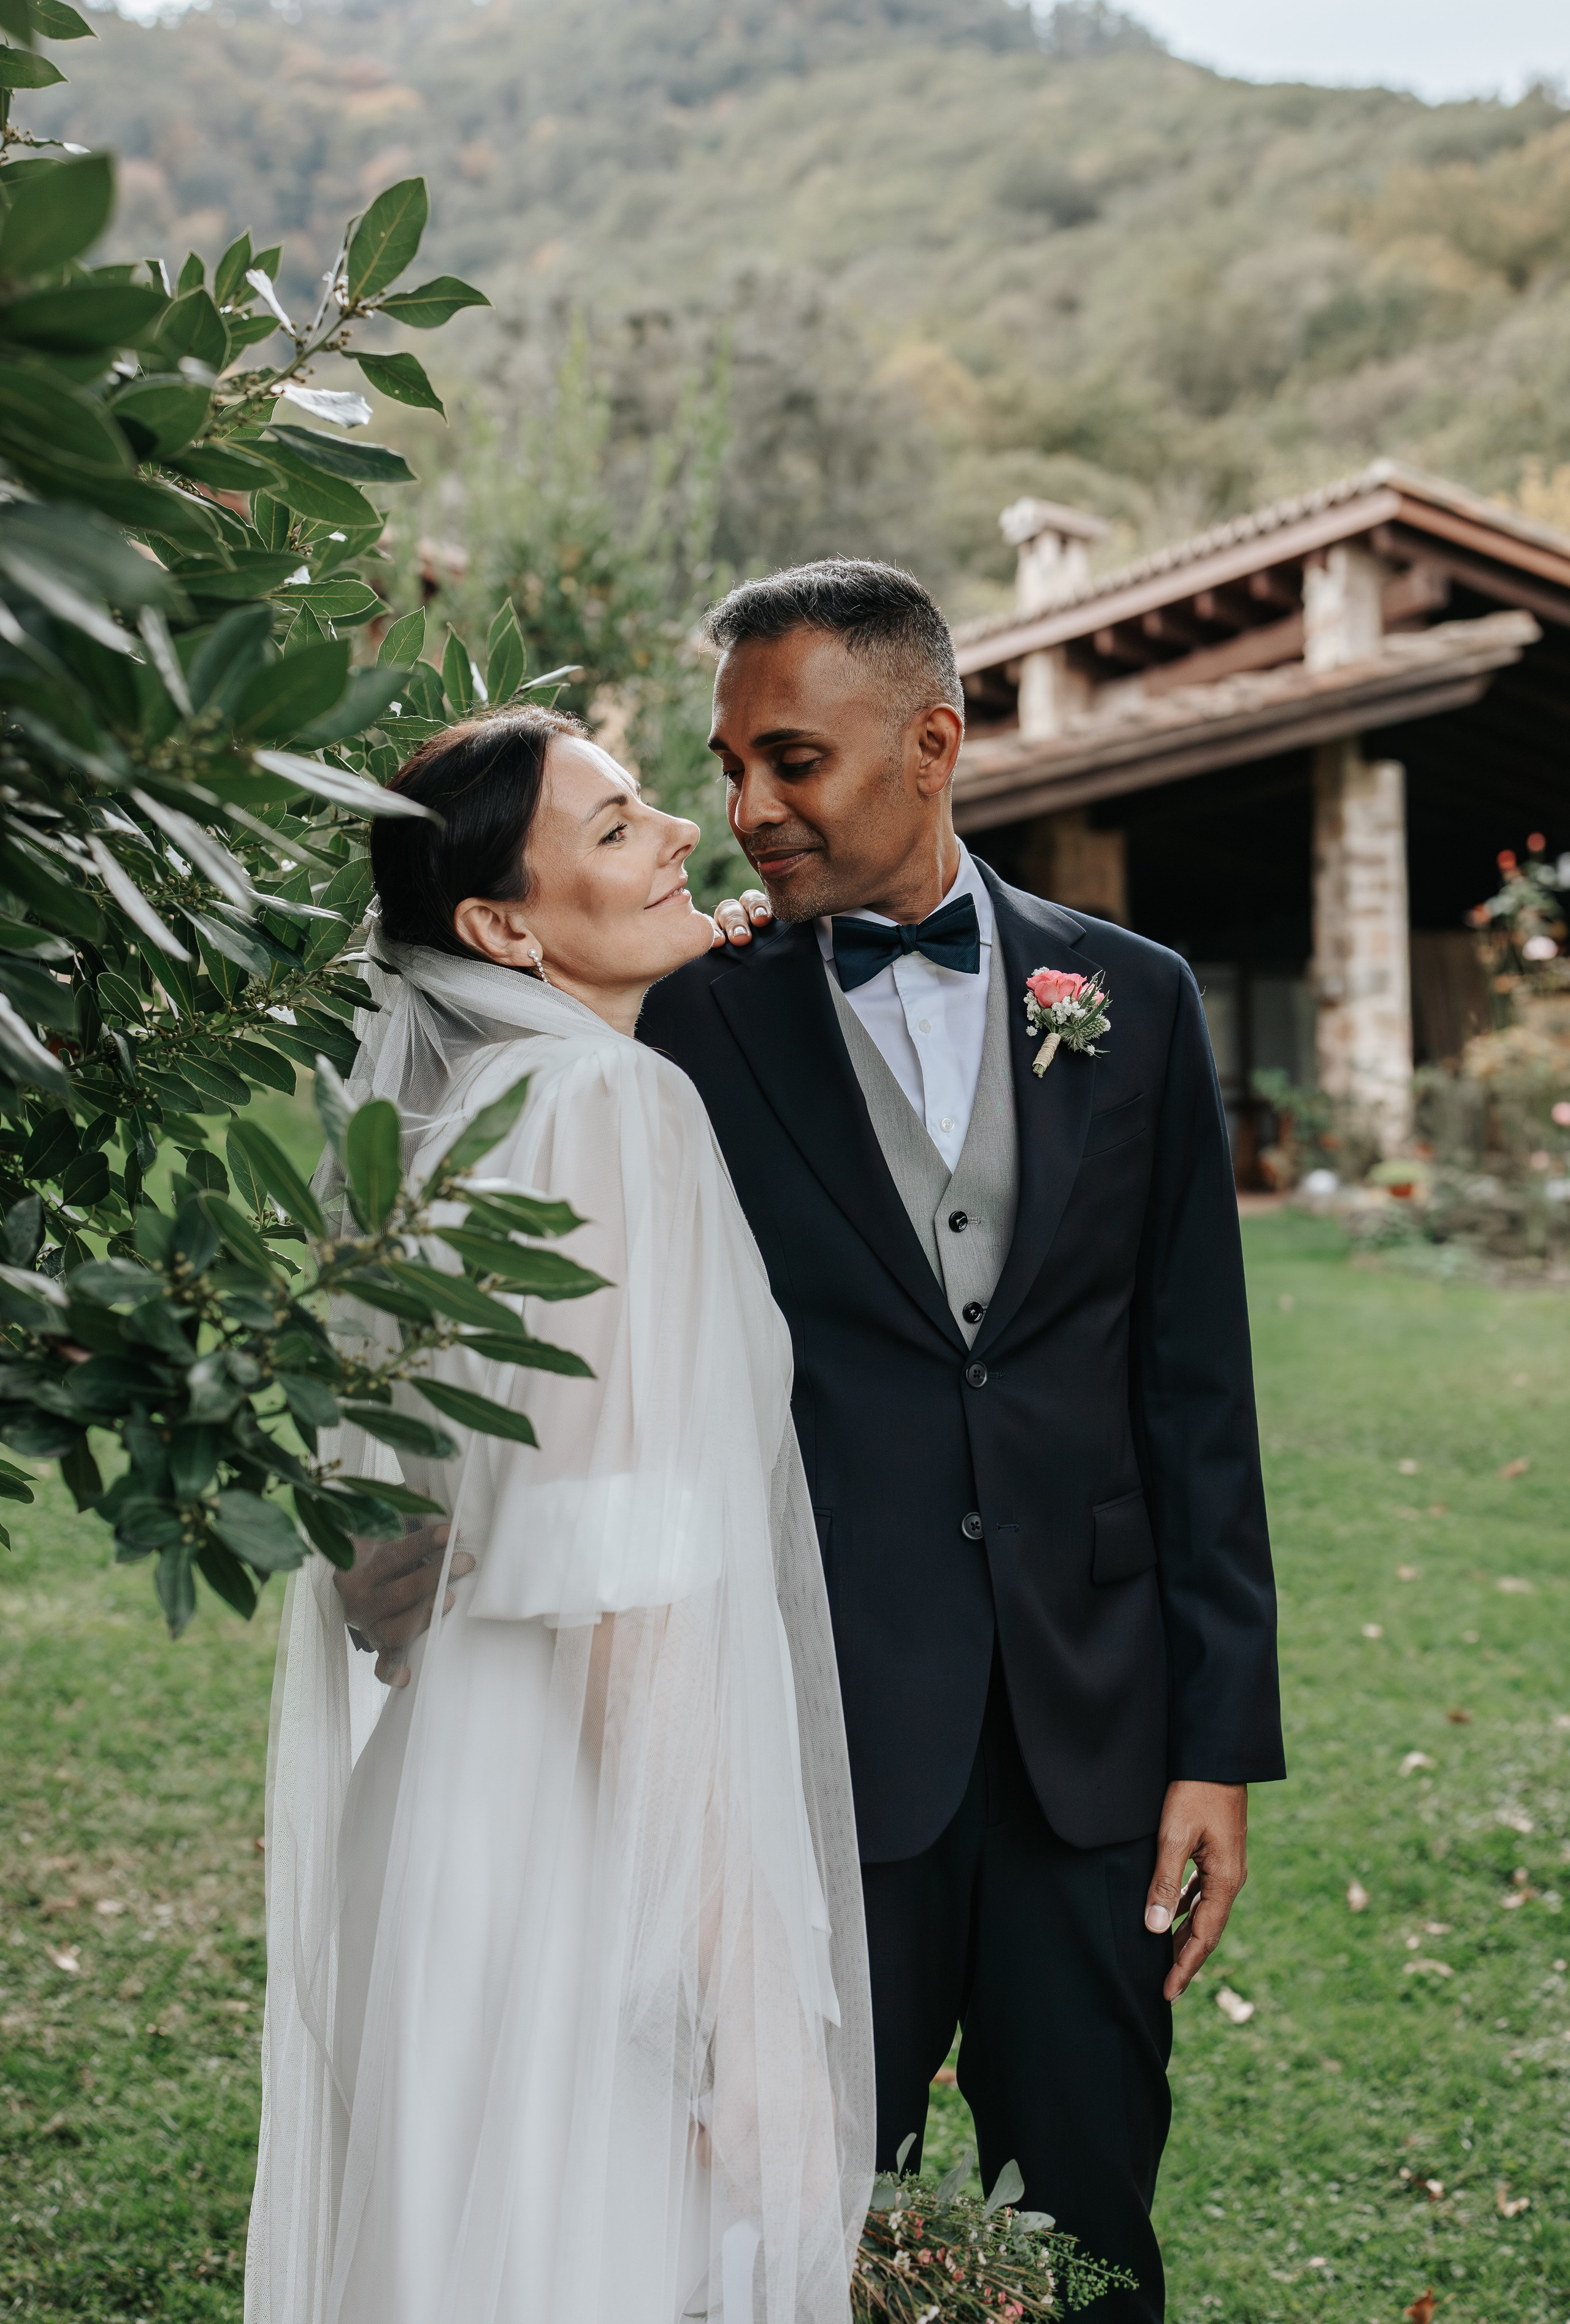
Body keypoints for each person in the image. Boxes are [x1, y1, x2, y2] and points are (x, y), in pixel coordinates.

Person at [637, 562, 1285, 2320]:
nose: (747, 810)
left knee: (1086, 2223)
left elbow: (1195, 1395)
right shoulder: (689, 1022)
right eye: (727, 767)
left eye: (792, 761)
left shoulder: (1131, 998)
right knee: (800, 2221)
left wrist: (1215, 1747)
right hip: (819, 1735)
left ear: (932, 742)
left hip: (1097, 1735)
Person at [246, 706, 874, 2324]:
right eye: (616, 828)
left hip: (456, 1800)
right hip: (585, 1854)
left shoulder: (453, 1136)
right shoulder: (606, 1112)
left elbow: (396, 1542)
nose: (682, 832)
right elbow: (620, 1589)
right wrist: (743, 2004)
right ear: (502, 927)